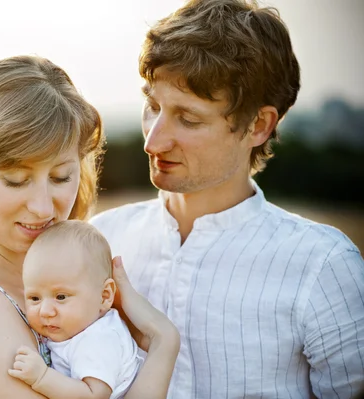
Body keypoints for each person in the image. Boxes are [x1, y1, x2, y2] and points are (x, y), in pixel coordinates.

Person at [90, 0, 364, 398]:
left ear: (258, 125)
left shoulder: (323, 266)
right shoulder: (99, 241)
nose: (153, 140)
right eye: (152, 106)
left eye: (188, 118)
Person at [0, 55, 180, 399]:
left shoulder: (60, 277)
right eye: (16, 180)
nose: (41, 206)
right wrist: (162, 344)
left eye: (60, 176)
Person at [8, 220, 142, 399]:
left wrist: (42, 377)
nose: (45, 311)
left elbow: (95, 395)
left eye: (61, 297)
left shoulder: (99, 339)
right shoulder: (76, 327)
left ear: (104, 296)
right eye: (35, 298)